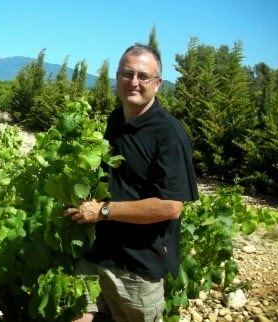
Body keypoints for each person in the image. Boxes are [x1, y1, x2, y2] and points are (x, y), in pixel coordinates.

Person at [63, 43, 199, 322]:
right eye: (127, 74)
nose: (133, 82)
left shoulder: (170, 135)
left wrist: (102, 211)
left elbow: (171, 207)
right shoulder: (115, 120)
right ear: (117, 78)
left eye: (143, 76)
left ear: (158, 84)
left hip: (137, 266)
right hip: (96, 252)